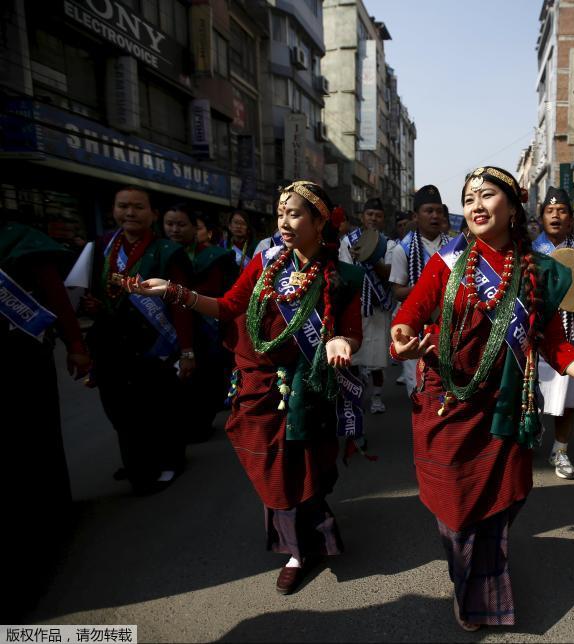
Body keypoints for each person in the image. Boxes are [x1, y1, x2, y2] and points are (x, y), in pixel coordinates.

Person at [390, 166, 574, 630]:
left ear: (513, 206)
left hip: (506, 402)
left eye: (487, 195)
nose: (476, 204)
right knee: (455, 507)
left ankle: (480, 593)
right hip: (449, 401)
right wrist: (402, 338)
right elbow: (409, 314)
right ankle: (468, 573)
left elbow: (550, 340)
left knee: (498, 504)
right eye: (469, 197)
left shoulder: (537, 271)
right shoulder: (446, 263)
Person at [130, 180, 363, 595]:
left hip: (308, 389)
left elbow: (351, 332)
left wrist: (343, 342)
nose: (284, 223)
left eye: (294, 214)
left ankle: (303, 544)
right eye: (280, 214)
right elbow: (226, 306)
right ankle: (303, 544)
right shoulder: (264, 263)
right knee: (273, 469)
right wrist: (174, 292)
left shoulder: (343, 276)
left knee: (310, 468)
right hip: (258, 386)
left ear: (319, 220)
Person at [1, 217, 92, 616]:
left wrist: (76, 344)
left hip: (21, 358)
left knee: (36, 438)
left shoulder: (19, 240)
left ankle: (51, 514)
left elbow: (55, 295)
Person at [81, 186, 194, 495]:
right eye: (123, 206)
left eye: (138, 207)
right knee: (118, 406)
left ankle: (167, 461)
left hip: (153, 341)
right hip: (111, 341)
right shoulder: (103, 246)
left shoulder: (167, 252)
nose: (130, 213)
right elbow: (91, 291)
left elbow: (180, 302)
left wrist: (186, 350)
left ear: (153, 214)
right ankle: (137, 461)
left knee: (154, 406)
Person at [163, 203, 238, 442]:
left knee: (203, 378)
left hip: (206, 327)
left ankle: (200, 423)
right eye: (169, 224)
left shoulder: (213, 256)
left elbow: (220, 292)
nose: (175, 230)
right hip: (170, 328)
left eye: (182, 225)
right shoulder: (162, 253)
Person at [531, 186, 574, 480]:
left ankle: (561, 450)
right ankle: (525, 442)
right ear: (541, 217)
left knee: (568, 402)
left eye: (562, 211)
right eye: (550, 211)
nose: (556, 216)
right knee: (528, 396)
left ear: (571, 219)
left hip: (571, 337)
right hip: (535, 339)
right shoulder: (528, 253)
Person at [388, 185, 452, 395]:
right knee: (418, 388)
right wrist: (428, 290)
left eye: (438, 211)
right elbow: (397, 291)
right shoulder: (403, 248)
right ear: (416, 216)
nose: (435, 216)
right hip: (414, 328)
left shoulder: (453, 246)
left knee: (447, 388)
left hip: (447, 325)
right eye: (428, 211)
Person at [339, 197, 397, 413]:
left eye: (378, 215)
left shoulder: (389, 244)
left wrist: (370, 256)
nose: (373, 218)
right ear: (363, 217)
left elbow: (389, 273)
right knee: (353, 356)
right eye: (370, 214)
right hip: (355, 305)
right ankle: (355, 394)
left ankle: (377, 398)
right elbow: (345, 272)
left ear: (383, 220)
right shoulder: (347, 241)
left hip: (378, 306)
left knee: (376, 357)